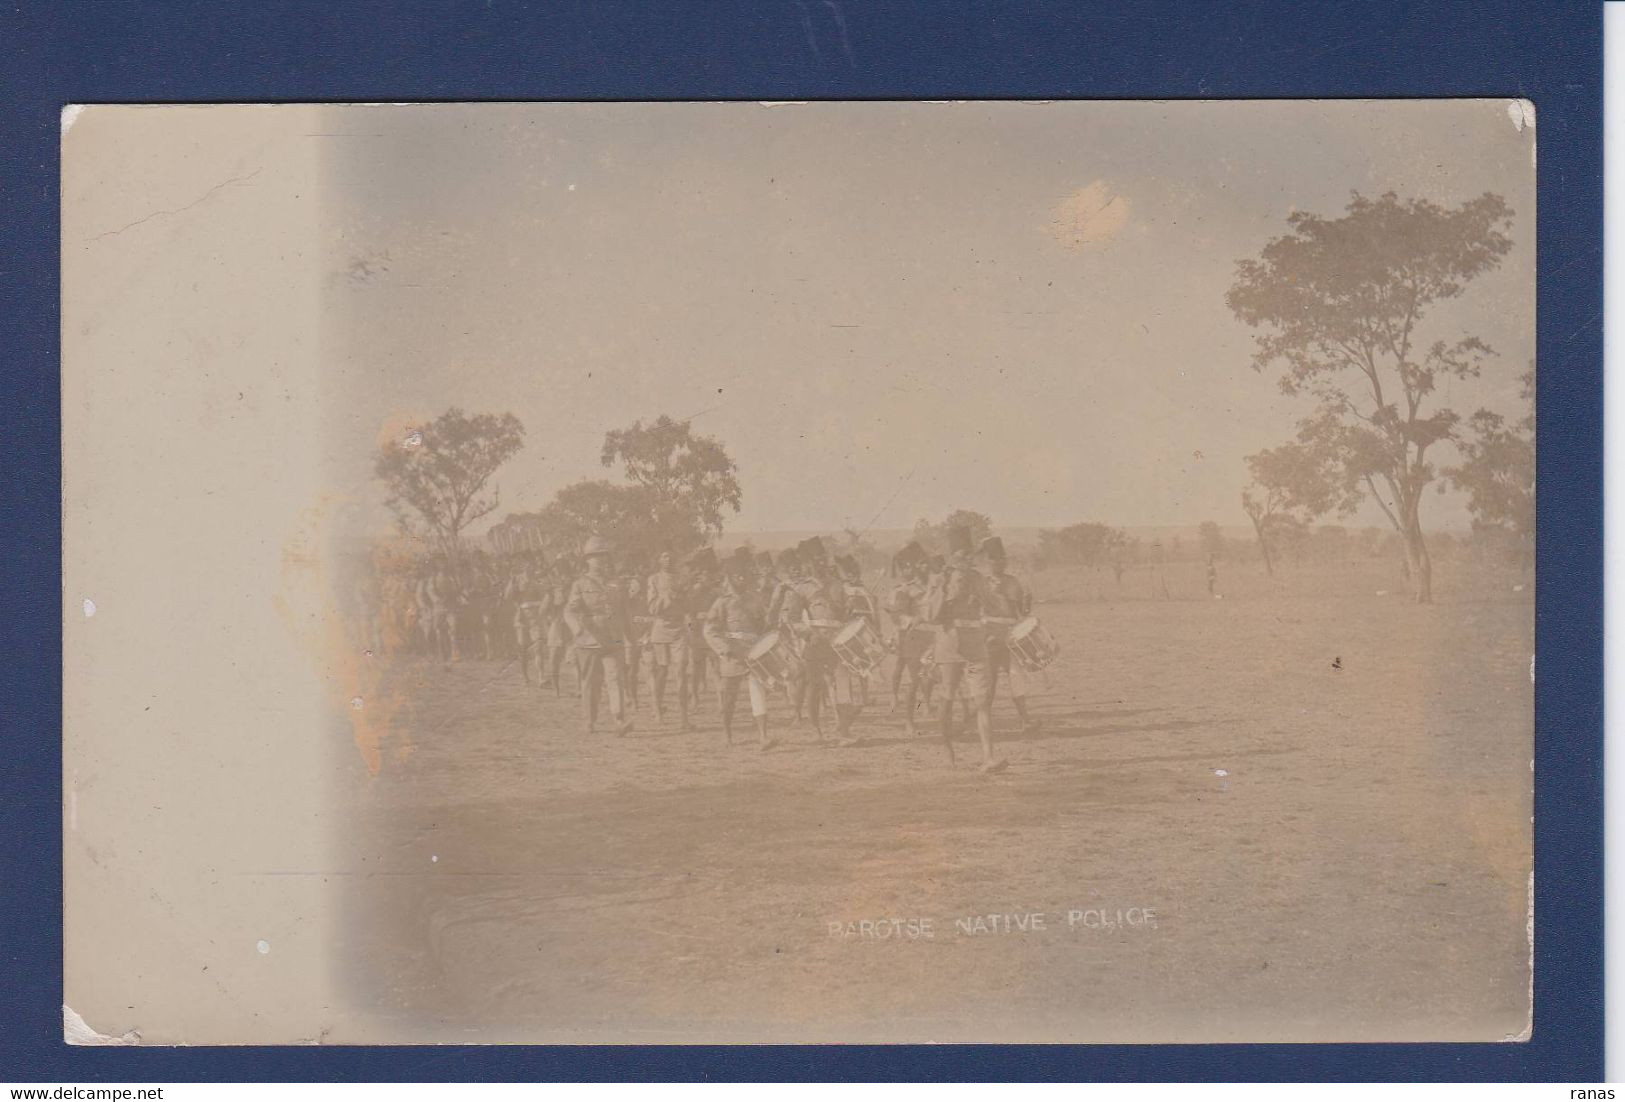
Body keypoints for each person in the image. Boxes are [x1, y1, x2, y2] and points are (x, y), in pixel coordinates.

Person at [926, 526, 1005, 772]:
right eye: (961, 554)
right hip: (949, 644)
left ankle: (988, 757)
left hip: (975, 644)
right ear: (953, 556)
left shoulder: (978, 578)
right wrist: (944, 586)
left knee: (983, 702)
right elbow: (931, 615)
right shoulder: (940, 579)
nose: (966, 558)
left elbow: (996, 606)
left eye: (969, 554)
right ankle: (948, 752)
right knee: (947, 698)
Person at [704, 554, 778, 750]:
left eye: (743, 575)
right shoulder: (722, 602)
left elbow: (764, 626)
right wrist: (724, 649)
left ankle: (763, 737)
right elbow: (709, 630)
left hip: (753, 653)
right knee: (729, 697)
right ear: (730, 577)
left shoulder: (755, 599)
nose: (741, 579)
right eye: (737, 576)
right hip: (732, 656)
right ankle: (727, 734)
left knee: (758, 692)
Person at [563, 536, 634, 736]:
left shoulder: (616, 583)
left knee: (615, 677)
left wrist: (631, 637)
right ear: (587, 560)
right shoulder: (579, 584)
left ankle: (619, 719)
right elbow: (569, 610)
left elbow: (624, 611)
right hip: (589, 639)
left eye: (603, 556)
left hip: (613, 638)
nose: (600, 561)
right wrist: (577, 628)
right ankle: (589, 720)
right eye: (595, 557)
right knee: (591, 683)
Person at [794, 537, 861, 745]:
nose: (820, 562)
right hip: (814, 641)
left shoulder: (837, 584)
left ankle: (843, 730)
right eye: (815, 560)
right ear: (807, 564)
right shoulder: (802, 589)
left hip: (836, 641)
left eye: (822, 558)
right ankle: (816, 730)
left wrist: (849, 607)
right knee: (814, 686)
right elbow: (791, 619)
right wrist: (807, 634)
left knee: (843, 683)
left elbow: (843, 614)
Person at [978, 535, 1041, 736]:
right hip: (989, 638)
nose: (999, 563)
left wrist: (1026, 604)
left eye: (1002, 558)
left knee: (1016, 677)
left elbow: (1019, 613)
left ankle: (1026, 721)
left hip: (1010, 637)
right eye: (994, 559)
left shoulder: (1013, 582)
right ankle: (979, 720)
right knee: (990, 684)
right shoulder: (981, 583)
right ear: (987, 561)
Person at [886, 541, 936, 735]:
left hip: (933, 637)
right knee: (915, 680)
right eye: (920, 564)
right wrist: (913, 619)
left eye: (926, 564)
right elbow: (896, 615)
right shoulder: (906, 589)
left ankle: (924, 706)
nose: (924, 567)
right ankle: (909, 721)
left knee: (930, 677)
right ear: (916, 567)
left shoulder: (936, 586)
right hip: (914, 638)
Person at [645, 550, 692, 730]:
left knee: (681, 670)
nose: (669, 558)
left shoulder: (682, 579)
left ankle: (684, 717)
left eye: (671, 555)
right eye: (664, 555)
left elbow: (689, 606)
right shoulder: (653, 580)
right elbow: (652, 608)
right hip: (661, 629)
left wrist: (683, 596)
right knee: (662, 672)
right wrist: (668, 596)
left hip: (679, 629)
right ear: (659, 559)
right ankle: (657, 710)